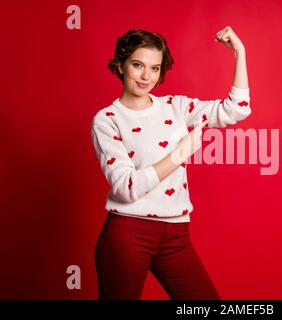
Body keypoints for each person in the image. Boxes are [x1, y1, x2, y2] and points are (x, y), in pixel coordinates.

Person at [90, 26, 251, 300]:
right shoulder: (107, 120)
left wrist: (240, 52)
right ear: (121, 65)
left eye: (154, 68)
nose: (146, 76)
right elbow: (127, 187)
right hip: (128, 234)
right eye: (138, 65)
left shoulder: (176, 107)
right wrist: (180, 154)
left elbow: (237, 109)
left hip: (176, 235)